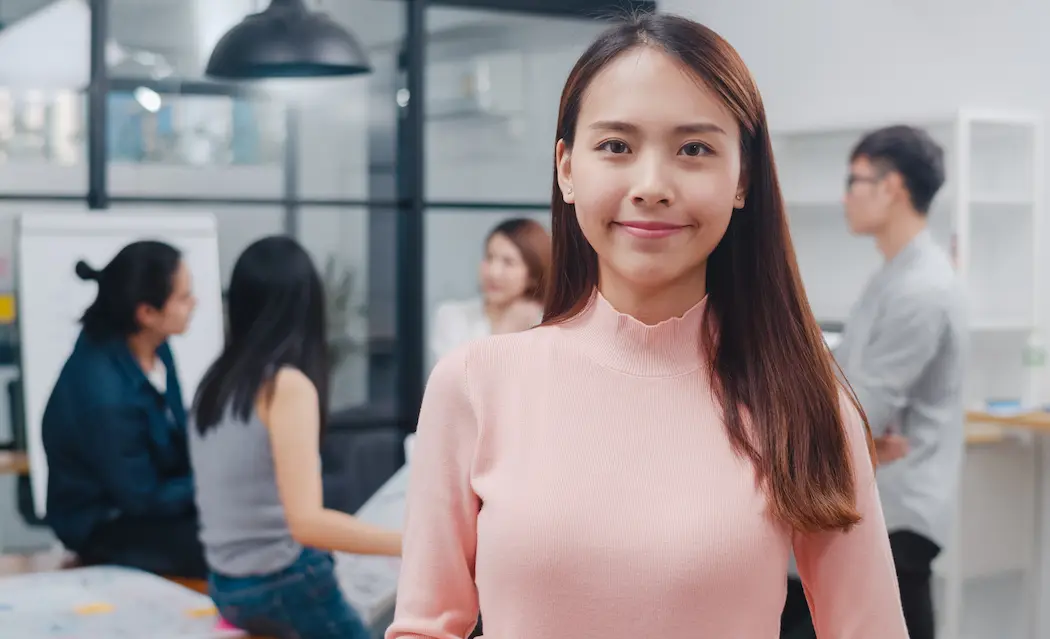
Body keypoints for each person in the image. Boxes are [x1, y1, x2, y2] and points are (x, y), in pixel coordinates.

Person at [387, 13, 907, 639]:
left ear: (742, 178)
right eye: (616, 146)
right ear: (567, 168)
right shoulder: (474, 385)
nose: (652, 185)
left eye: (694, 148)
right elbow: (425, 628)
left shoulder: (806, 402)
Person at [781, 126, 967, 639]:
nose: (846, 196)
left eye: (855, 180)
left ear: (892, 188)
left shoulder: (921, 288)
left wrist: (848, 429)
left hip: (899, 513)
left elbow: (862, 406)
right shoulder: (895, 277)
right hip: (879, 502)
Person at [189, 236, 402, 639]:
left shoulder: (216, 382)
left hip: (226, 586)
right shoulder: (285, 386)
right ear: (307, 306)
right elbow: (306, 524)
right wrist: (412, 542)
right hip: (279, 585)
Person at [42, 241, 204, 578]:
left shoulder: (154, 346)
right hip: (108, 524)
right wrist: (211, 484)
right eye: (184, 297)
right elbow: (140, 498)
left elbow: (175, 434)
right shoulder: (103, 392)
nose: (194, 304)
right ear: (147, 313)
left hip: (155, 502)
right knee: (229, 547)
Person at [429, 217, 551, 367]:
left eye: (508, 262)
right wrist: (505, 331)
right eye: (489, 257)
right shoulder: (453, 316)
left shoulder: (547, 324)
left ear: (533, 275)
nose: (493, 272)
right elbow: (453, 384)